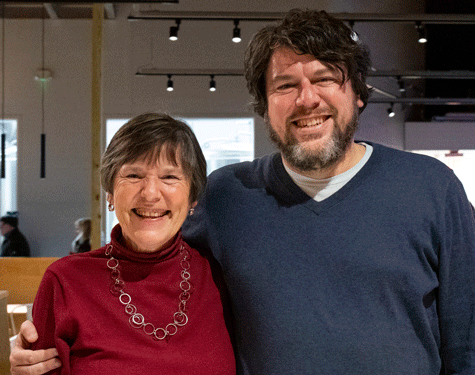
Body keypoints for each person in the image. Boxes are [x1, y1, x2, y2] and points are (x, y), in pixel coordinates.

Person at [10, 8, 475, 375]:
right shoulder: (228, 196)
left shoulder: (431, 190)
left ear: (356, 92)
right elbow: (148, 259)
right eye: (285, 85)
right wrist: (37, 350)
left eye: (326, 79)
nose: (307, 99)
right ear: (264, 105)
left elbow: (467, 342)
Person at [10, 113, 235, 375]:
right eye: (134, 175)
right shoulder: (65, 282)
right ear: (110, 192)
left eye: (170, 177)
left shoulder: (219, 276)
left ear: (193, 198)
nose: (150, 193)